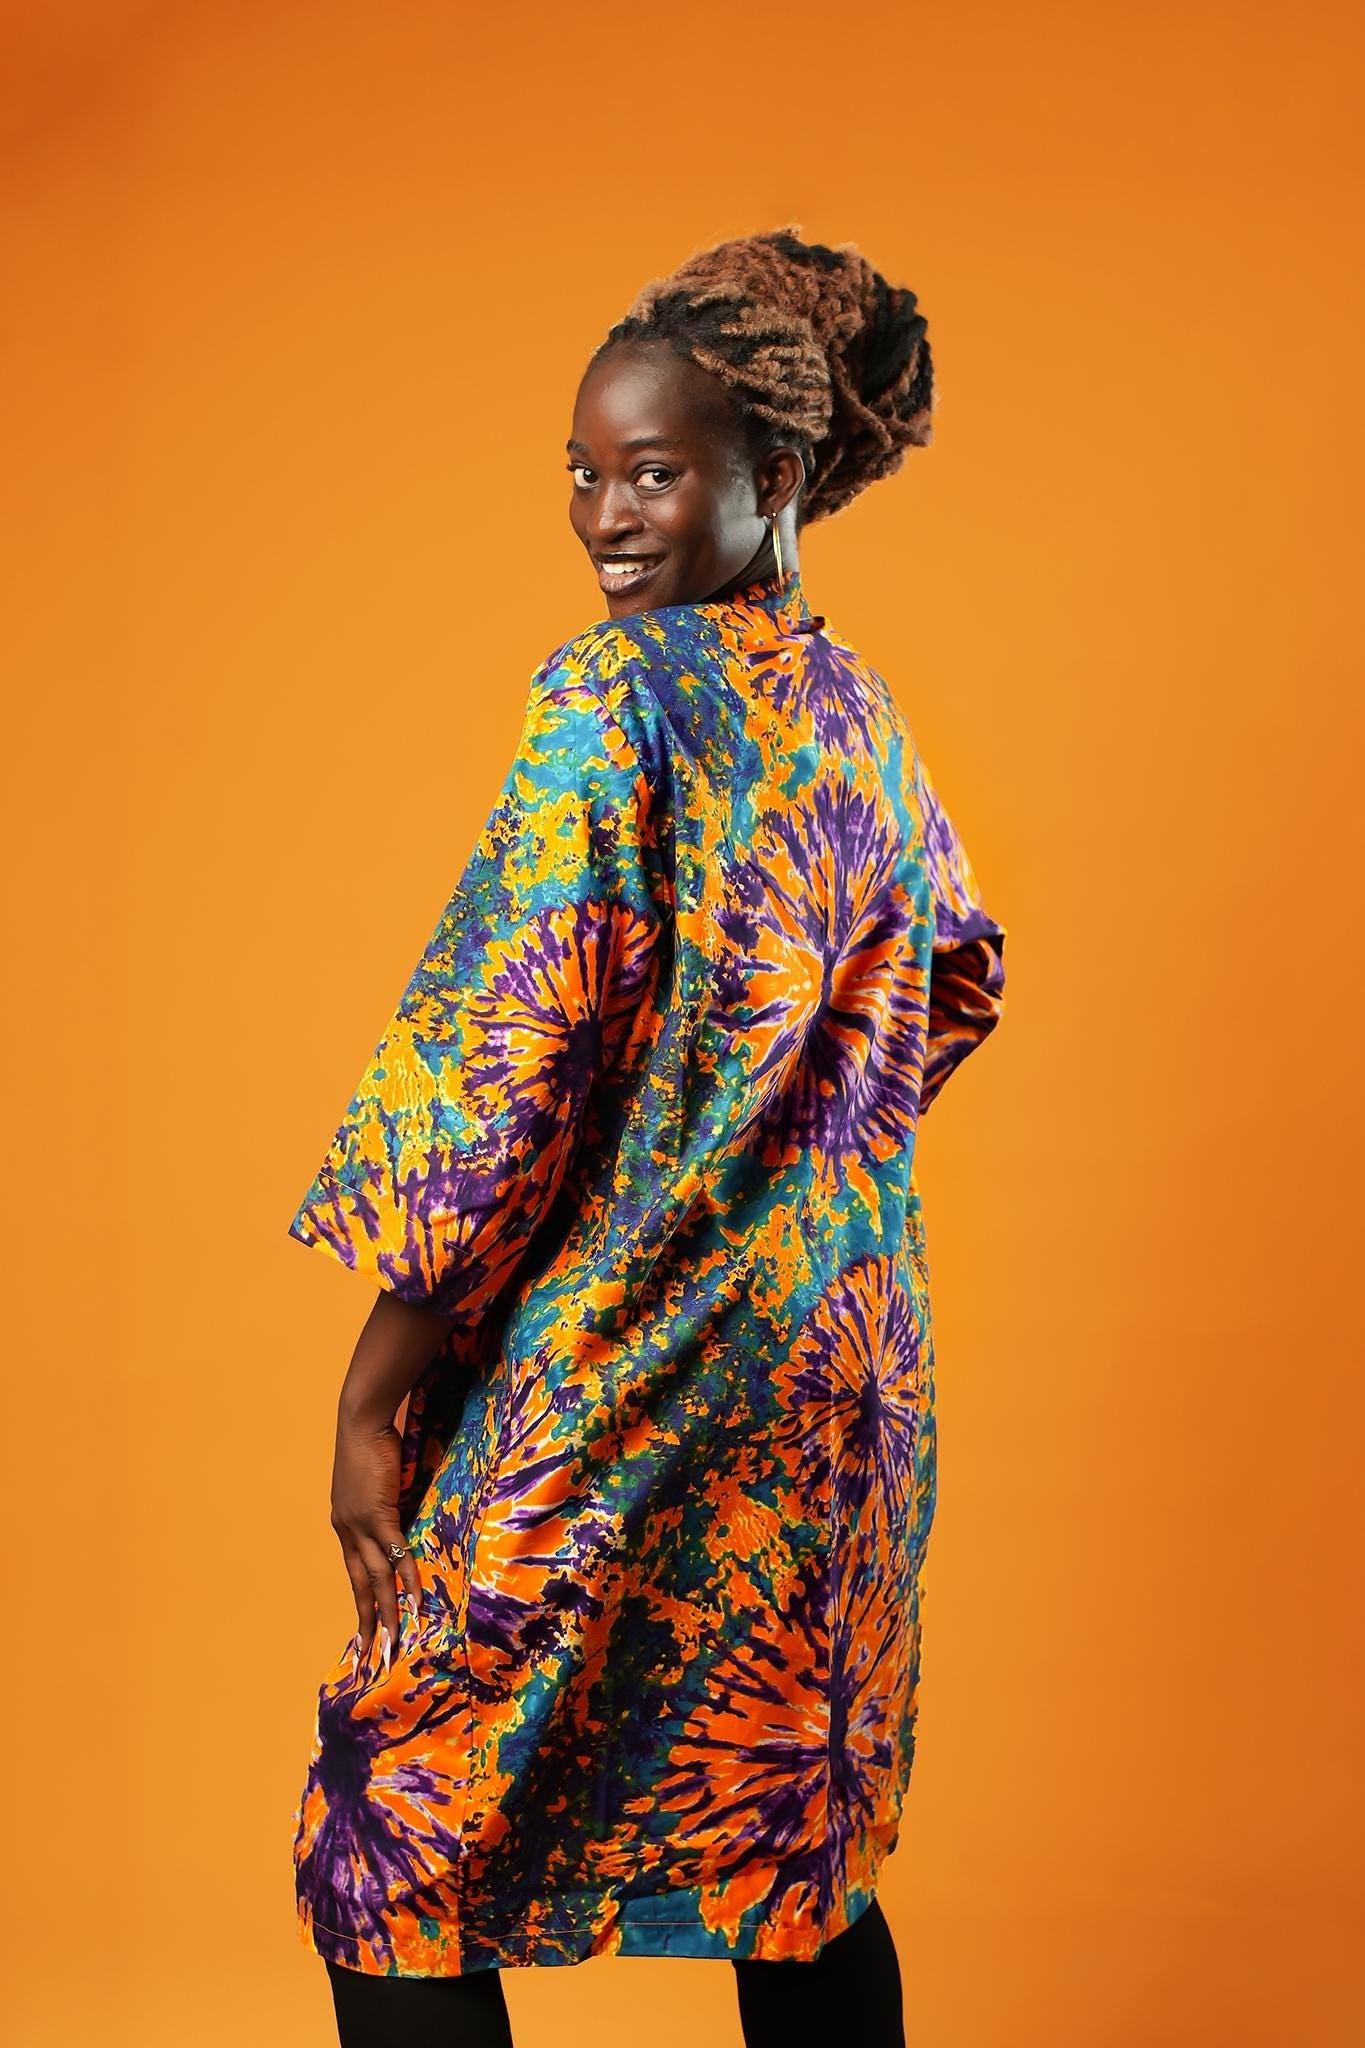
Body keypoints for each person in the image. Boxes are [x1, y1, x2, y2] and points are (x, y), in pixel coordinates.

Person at [286, 225, 1008, 2048]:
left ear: (778, 479)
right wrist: (783, 1157)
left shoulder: (614, 696)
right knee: (789, 1836)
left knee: (401, 1835)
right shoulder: (859, 711)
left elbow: (501, 1061)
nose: (610, 518)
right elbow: (964, 978)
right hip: (838, 1373)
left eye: (658, 474)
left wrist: (378, 1384)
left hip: (633, 1360)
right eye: (586, 477)